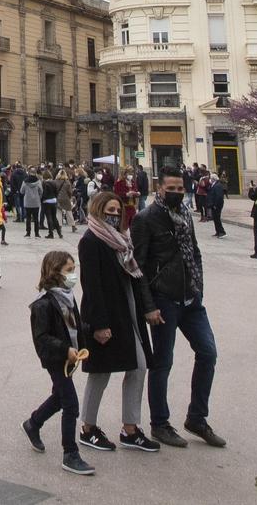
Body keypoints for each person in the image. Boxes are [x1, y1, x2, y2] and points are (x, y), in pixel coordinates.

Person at [133, 168, 223, 448]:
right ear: (159, 189)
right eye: (170, 188)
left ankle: (197, 418)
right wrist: (148, 306)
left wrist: (199, 287)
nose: (176, 192)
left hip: (191, 299)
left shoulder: (185, 214)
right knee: (163, 362)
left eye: (180, 189)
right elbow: (138, 267)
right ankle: (160, 423)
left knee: (208, 353)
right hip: (164, 299)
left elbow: (194, 251)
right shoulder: (145, 218)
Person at [76, 191, 163, 454]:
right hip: (104, 315)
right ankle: (87, 429)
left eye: (117, 211)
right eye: (109, 211)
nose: (114, 215)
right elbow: (91, 285)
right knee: (100, 372)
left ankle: (130, 429)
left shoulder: (123, 241)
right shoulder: (91, 241)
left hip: (128, 313)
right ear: (98, 210)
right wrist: (100, 324)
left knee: (139, 367)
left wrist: (147, 308)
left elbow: (134, 276)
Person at [24, 249, 97, 476]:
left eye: (74, 270)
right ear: (55, 272)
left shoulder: (67, 295)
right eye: (69, 270)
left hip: (69, 356)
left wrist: (91, 334)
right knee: (71, 404)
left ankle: (33, 423)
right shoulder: (43, 304)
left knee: (59, 398)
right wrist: (65, 350)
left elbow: (74, 326)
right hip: (57, 359)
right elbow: (42, 338)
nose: (73, 275)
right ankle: (70, 453)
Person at [201, 173, 226, 237]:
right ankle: (218, 231)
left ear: (213, 179)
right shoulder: (213, 185)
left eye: (210, 179)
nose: (209, 180)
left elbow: (219, 196)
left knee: (217, 218)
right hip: (213, 204)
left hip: (217, 205)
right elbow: (209, 192)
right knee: (215, 218)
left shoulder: (218, 185)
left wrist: (215, 205)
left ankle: (221, 232)